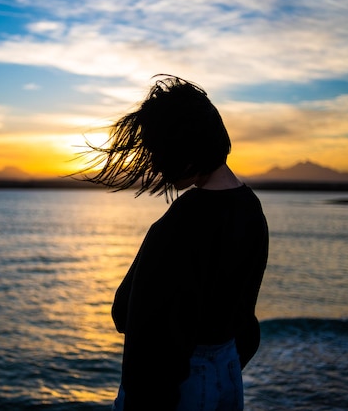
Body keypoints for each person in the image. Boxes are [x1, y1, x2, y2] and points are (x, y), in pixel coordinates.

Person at [79, 75, 268, 410]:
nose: (155, 165)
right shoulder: (250, 208)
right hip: (227, 376)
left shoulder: (181, 224)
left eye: (157, 152)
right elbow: (245, 321)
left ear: (182, 149)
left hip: (179, 389)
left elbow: (132, 321)